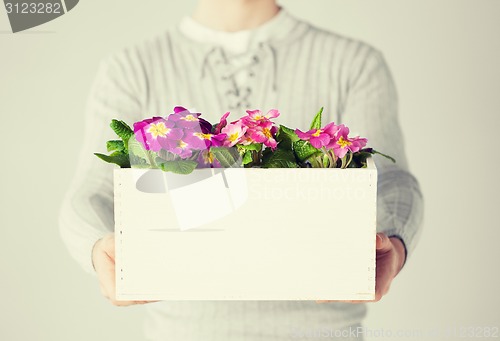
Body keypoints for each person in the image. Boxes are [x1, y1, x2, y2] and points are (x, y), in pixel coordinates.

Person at [59, 0, 423, 340]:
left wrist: (393, 243)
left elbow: (391, 182)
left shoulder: (353, 62)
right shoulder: (131, 68)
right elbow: (92, 192)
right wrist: (98, 248)